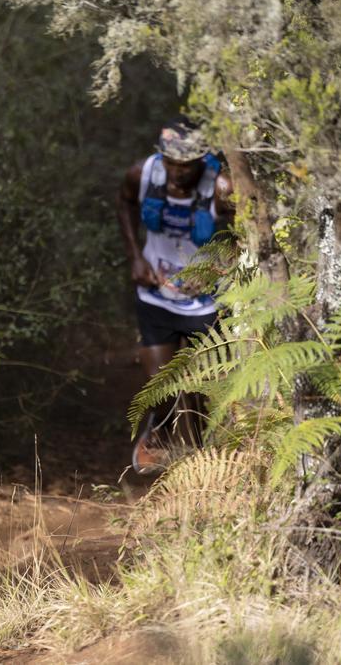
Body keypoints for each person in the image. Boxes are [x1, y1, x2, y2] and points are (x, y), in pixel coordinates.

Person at [115, 118, 235, 474]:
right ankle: (159, 435)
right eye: (171, 163)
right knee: (161, 386)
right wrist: (135, 255)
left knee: (199, 389)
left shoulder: (222, 187)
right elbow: (123, 205)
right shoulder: (142, 175)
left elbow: (248, 229)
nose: (178, 171)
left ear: (201, 160)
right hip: (156, 298)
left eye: (187, 164)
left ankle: (204, 463)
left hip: (206, 303)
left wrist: (224, 264)